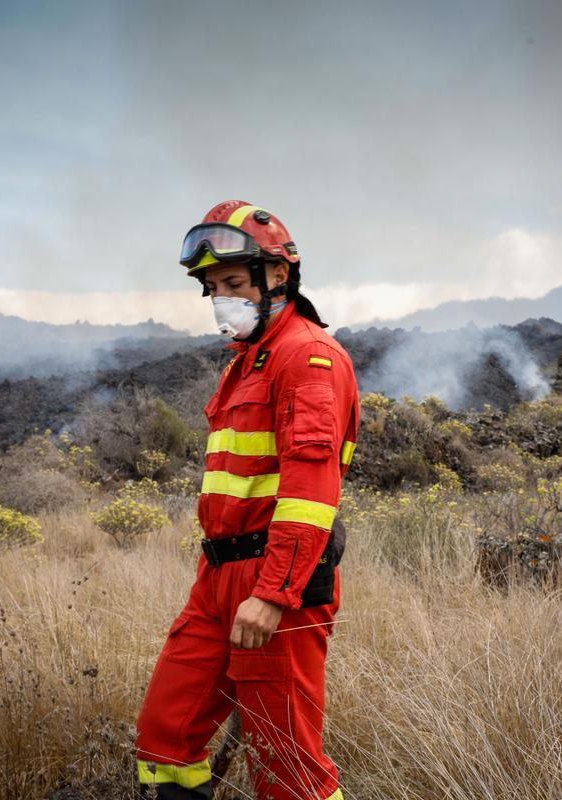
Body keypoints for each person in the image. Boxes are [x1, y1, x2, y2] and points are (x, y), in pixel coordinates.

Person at [134, 201, 360, 800]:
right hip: (219, 578)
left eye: (233, 284)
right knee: (165, 737)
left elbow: (311, 492)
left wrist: (273, 594)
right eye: (212, 289)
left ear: (277, 276)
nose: (221, 299)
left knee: (286, 764)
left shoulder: (307, 357)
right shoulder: (247, 362)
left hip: (275, 582)